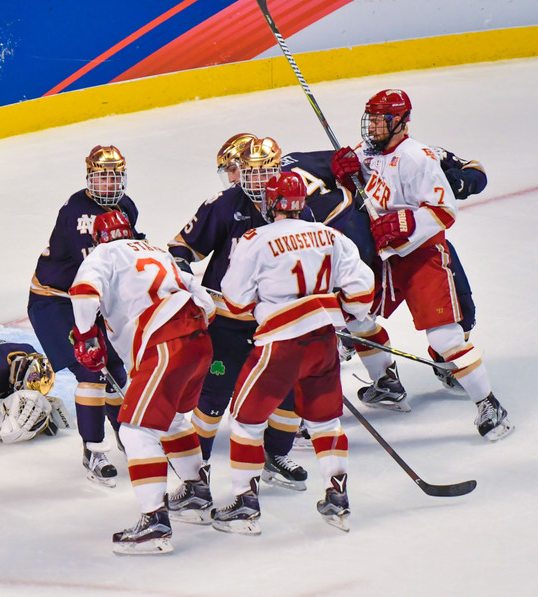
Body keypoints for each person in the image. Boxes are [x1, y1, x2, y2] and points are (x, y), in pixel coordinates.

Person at [330, 89, 512, 441]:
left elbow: (444, 211)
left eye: (380, 119)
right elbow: (354, 185)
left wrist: (405, 224)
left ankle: (489, 405)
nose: (373, 126)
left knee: (445, 337)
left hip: (421, 256)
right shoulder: (366, 151)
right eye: (370, 118)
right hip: (383, 258)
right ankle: (386, 383)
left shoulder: (418, 157)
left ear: (400, 121)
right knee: (356, 317)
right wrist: (342, 173)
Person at [210, 173, 375, 535]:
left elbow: (235, 301)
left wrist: (260, 304)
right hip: (322, 341)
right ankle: (337, 496)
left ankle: (244, 502)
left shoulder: (256, 239)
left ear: (271, 204)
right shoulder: (330, 235)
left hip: (280, 344)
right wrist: (341, 311)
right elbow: (363, 291)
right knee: (325, 422)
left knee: (245, 421)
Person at [167, 134, 311, 492]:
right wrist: (187, 277)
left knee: (290, 392)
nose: (256, 181)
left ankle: (275, 454)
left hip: (278, 324)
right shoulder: (225, 203)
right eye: (249, 172)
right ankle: (195, 472)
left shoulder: (298, 207)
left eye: (265, 172)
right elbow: (182, 248)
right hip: (228, 324)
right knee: (215, 392)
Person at [70, 210, 215, 554]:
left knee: (135, 430)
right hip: (199, 339)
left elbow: (83, 293)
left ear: (98, 239)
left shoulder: (103, 254)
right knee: (174, 420)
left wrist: (87, 336)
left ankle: (154, 523)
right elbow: (207, 302)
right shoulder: (157, 251)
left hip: (165, 343)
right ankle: (196, 493)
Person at [28, 144, 142, 487]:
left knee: (116, 371)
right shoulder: (78, 214)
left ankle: (127, 436)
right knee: (92, 370)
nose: (108, 184)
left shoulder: (127, 207)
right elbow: (95, 272)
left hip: (91, 299)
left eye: (114, 177)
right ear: (90, 177)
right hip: (57, 302)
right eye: (101, 177)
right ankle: (93, 448)